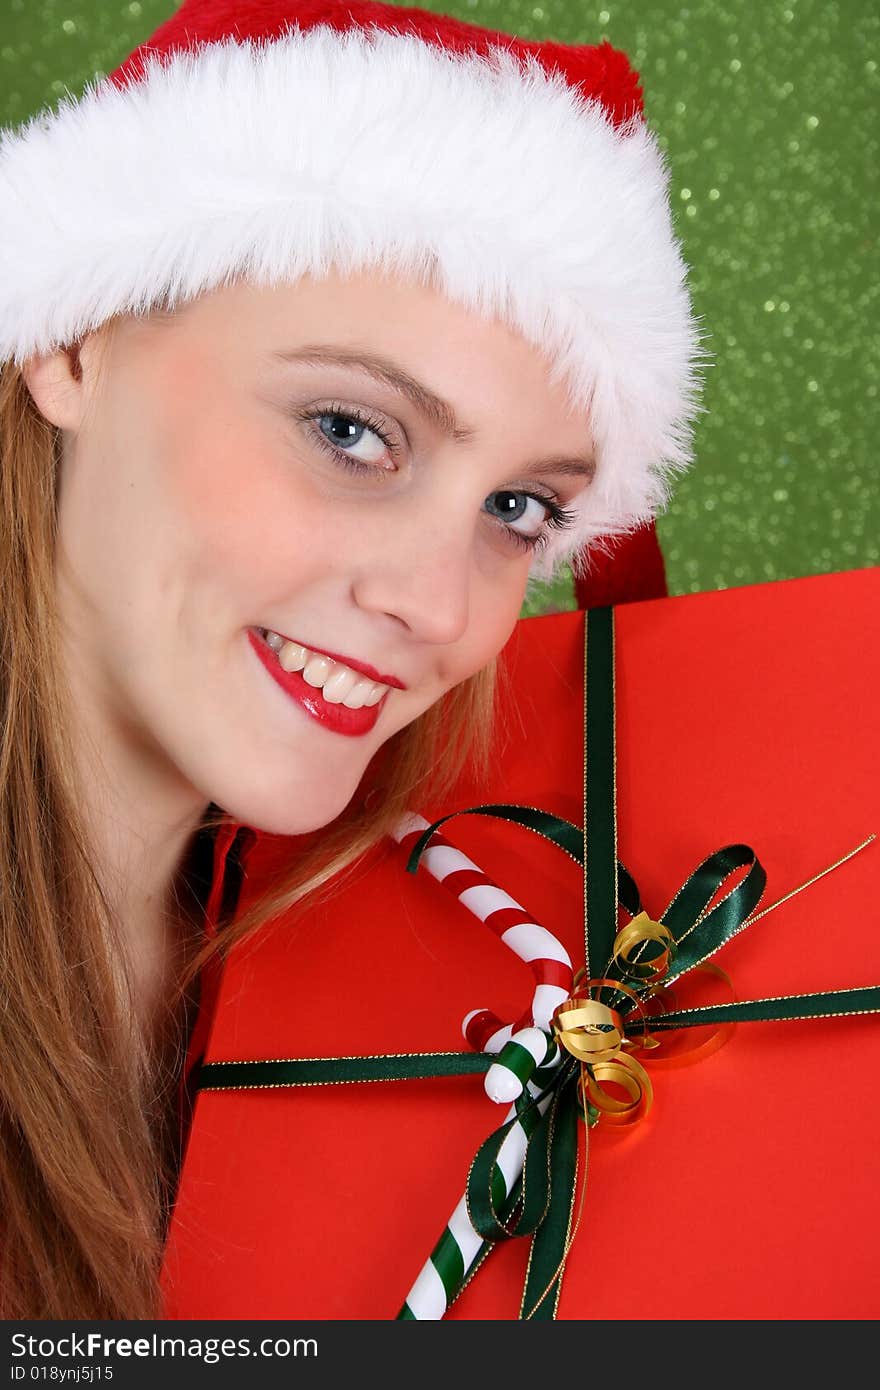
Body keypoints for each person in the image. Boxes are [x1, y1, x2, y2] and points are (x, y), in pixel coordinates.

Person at [0, 0, 704, 1319]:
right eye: (351, 430)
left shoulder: (474, 962)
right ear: (75, 339)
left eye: (519, 510)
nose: (441, 607)